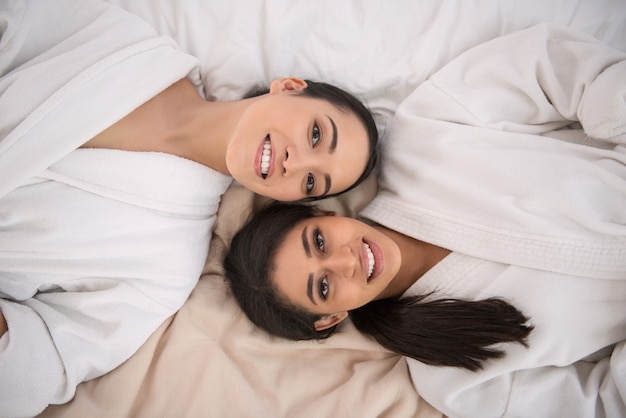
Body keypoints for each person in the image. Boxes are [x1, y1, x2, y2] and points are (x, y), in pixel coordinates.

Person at [224, 23, 626, 418]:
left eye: (320, 242)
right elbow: (604, 406)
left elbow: (554, 67)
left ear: (322, 212)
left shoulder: (427, 133)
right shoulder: (451, 375)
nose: (347, 261)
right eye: (324, 286)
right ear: (330, 318)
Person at [0, 0, 377, 415]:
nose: (297, 162)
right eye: (317, 134)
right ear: (288, 86)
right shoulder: (125, 44)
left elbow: (38, 362)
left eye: (310, 182)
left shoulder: (167, 269)